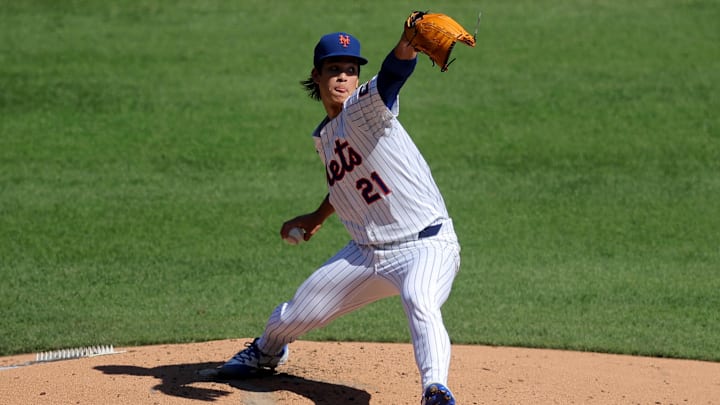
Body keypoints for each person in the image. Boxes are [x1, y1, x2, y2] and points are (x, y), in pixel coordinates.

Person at [216, 19, 462, 405]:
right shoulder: (324, 136)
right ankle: (266, 351)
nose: (344, 78)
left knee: (419, 297)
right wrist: (316, 217)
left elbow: (394, 74)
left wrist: (406, 44)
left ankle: (436, 390)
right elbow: (346, 185)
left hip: (426, 245)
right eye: (334, 69)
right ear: (316, 75)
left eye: (351, 70)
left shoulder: (366, 107)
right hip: (366, 253)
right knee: (296, 314)